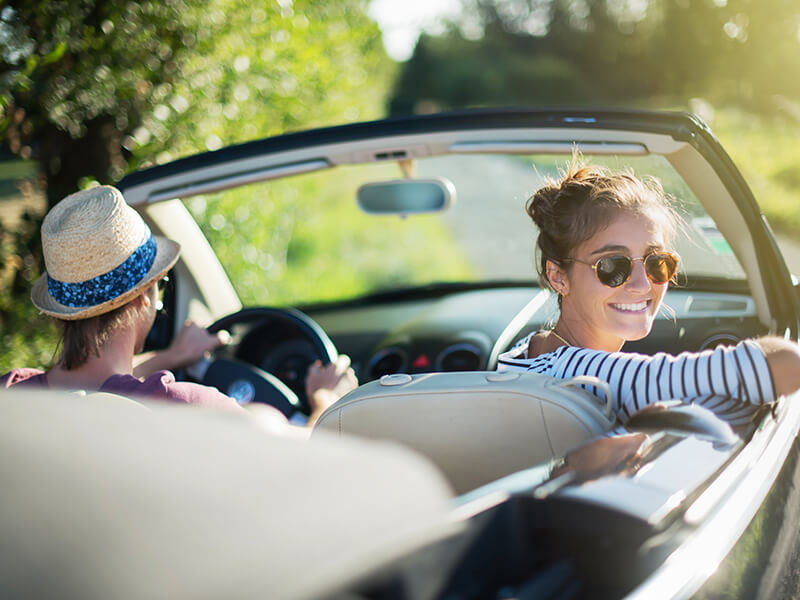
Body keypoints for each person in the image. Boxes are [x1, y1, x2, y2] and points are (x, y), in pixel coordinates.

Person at [1, 185, 356, 429]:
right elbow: (308, 447)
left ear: (62, 312)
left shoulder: (12, 395)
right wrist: (328, 400)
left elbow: (91, 378)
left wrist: (171, 355)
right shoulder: (182, 408)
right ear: (144, 298)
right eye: (161, 288)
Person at [497, 159, 800, 428]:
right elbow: (787, 363)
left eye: (658, 263)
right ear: (558, 276)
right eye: (612, 265)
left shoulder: (528, 352)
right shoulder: (597, 378)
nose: (642, 284)